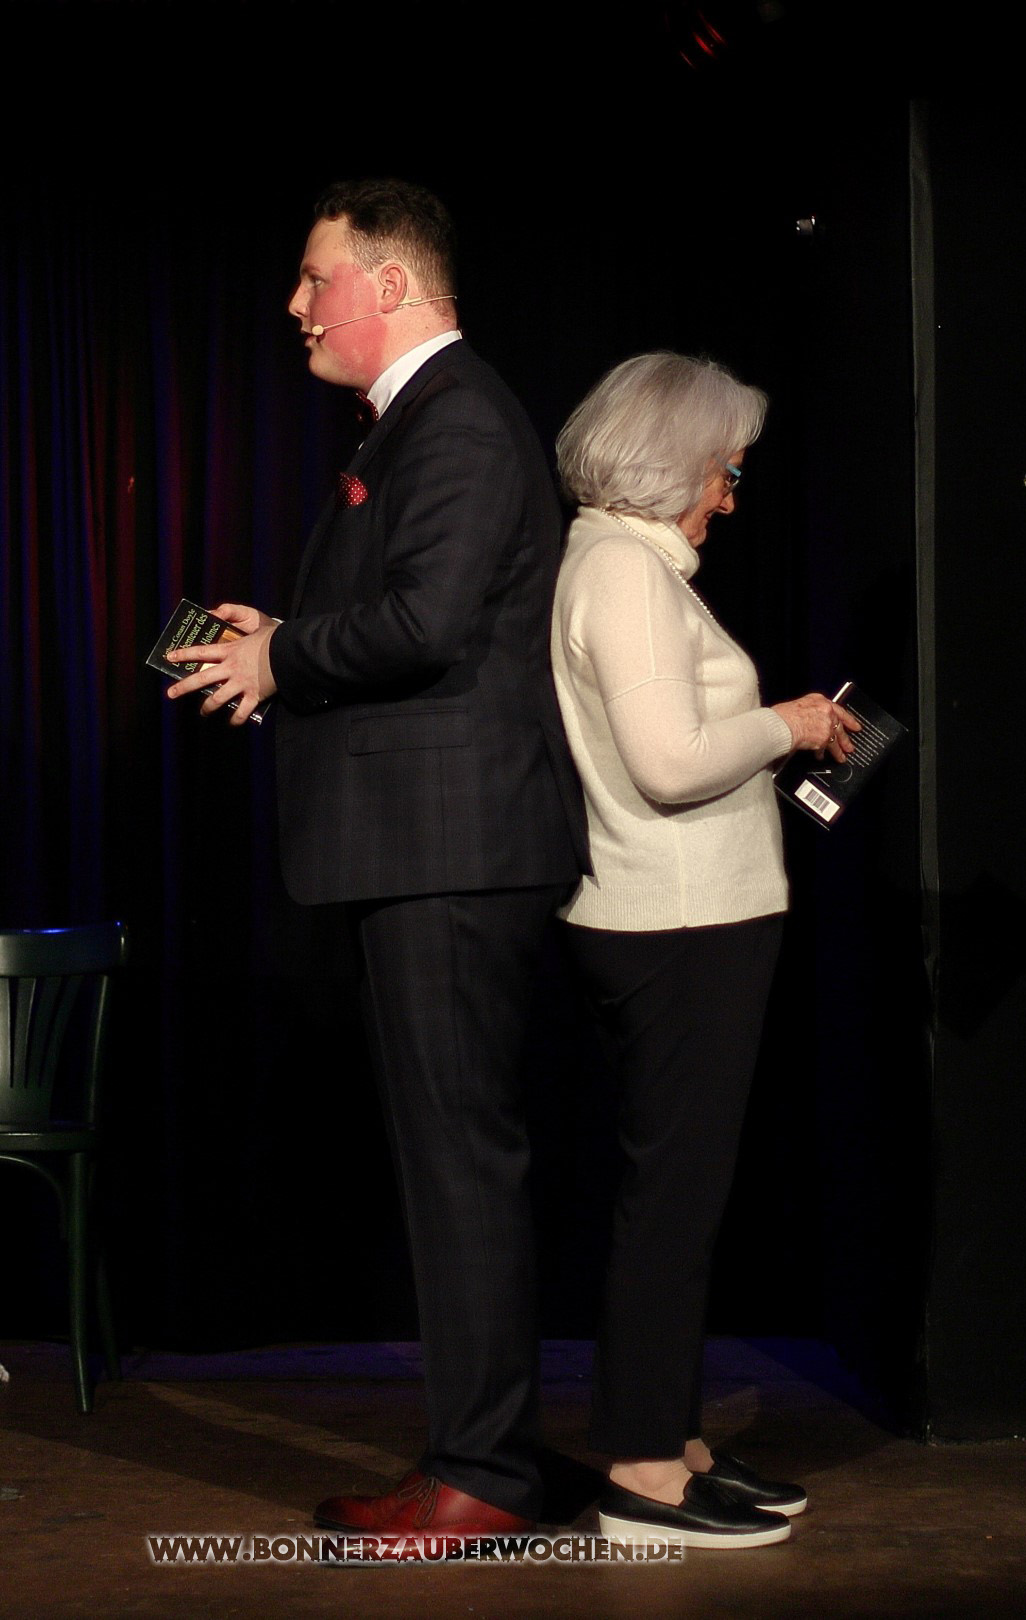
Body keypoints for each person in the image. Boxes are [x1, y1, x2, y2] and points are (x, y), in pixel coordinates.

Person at [165, 178, 588, 1536]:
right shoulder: (422, 420)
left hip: (451, 848)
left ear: (390, 284)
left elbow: (428, 624)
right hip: (428, 844)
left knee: (461, 1164)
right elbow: (411, 616)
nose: (296, 305)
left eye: (315, 278)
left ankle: (486, 1476)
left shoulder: (454, 416)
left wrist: (284, 655)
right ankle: (476, 1456)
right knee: (447, 1161)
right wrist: (282, 641)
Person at [550, 351, 859, 1549]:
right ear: (670, 463)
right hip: (674, 925)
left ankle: (667, 1439)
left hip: (684, 920)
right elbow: (669, 765)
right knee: (671, 1207)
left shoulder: (627, 564)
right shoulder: (623, 572)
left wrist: (775, 731)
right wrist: (785, 724)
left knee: (679, 1200)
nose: (730, 496)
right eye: (725, 469)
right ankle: (643, 1476)